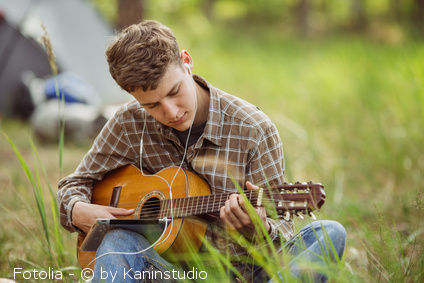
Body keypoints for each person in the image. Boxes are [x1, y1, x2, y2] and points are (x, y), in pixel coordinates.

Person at [57, 20, 346, 282]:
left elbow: (283, 236)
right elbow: (74, 184)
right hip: (170, 274)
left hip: (247, 273)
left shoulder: (253, 128)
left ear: (187, 62)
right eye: (152, 105)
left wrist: (256, 229)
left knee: (329, 234)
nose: (170, 112)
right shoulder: (128, 123)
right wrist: (76, 209)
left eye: (174, 92)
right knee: (115, 241)